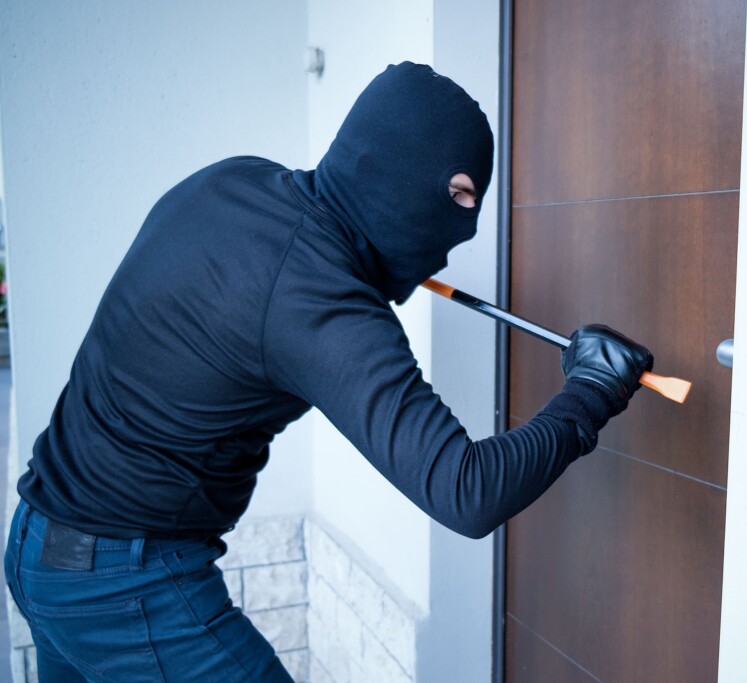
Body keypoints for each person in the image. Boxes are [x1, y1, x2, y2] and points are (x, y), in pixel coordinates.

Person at [4, 62, 653, 682]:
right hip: (122, 585)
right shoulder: (321, 299)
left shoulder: (236, 181)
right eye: (459, 193)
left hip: (38, 543)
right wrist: (593, 390)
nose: (465, 225)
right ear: (400, 166)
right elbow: (467, 489)